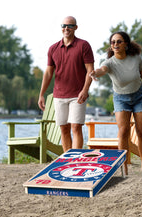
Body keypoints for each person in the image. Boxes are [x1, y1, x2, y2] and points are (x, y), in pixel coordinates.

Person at [89, 31, 142, 174]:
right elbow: (102, 70)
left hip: (140, 97)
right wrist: (95, 73)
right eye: (113, 42)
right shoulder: (109, 63)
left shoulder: (136, 58)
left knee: (141, 131)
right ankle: (123, 167)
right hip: (121, 99)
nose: (115, 44)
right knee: (123, 131)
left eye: (119, 41)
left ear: (126, 44)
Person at [38, 16, 94, 153]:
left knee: (75, 127)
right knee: (63, 128)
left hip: (78, 95)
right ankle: (68, 160)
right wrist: (41, 95)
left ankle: (76, 159)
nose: (66, 28)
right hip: (59, 95)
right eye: (64, 25)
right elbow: (48, 73)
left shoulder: (83, 45)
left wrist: (85, 90)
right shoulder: (53, 48)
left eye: (69, 25)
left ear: (76, 27)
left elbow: (90, 71)